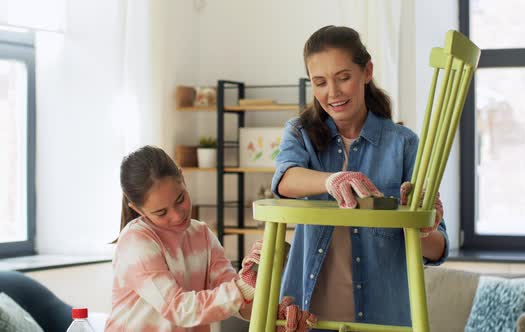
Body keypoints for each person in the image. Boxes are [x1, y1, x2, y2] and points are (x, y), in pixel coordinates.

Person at [271, 25, 448, 328]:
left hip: (384, 319)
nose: (333, 92)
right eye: (320, 82)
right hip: (309, 317)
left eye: (343, 78)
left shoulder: (404, 144)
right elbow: (285, 180)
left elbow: (439, 248)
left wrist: (420, 228)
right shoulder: (300, 133)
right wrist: (330, 180)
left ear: (366, 71)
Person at [106, 145, 315, 331]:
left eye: (180, 199)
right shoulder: (136, 242)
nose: (177, 215)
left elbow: (234, 304)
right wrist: (243, 287)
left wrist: (273, 315)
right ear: (138, 210)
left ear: (183, 177)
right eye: (161, 212)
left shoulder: (202, 234)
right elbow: (178, 309)